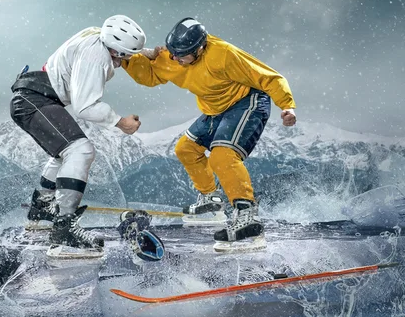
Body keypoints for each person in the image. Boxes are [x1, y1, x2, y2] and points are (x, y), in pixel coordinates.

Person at [122, 17, 296, 250]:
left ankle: (247, 218)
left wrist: (286, 105)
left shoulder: (223, 54)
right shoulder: (173, 57)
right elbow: (150, 76)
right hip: (215, 110)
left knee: (222, 156)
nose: (175, 58)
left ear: (200, 49)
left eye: (181, 54)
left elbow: (270, 77)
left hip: (247, 101)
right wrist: (125, 57)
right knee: (185, 149)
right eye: (173, 53)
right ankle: (211, 200)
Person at [10, 15, 146, 255]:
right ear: (115, 50)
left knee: (64, 154)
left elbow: (120, 46)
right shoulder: (96, 57)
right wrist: (120, 122)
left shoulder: (97, 34)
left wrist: (150, 52)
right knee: (81, 150)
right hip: (35, 100)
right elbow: (85, 107)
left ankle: (42, 207)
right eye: (126, 55)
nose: (126, 61)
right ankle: (64, 231)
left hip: (32, 95)